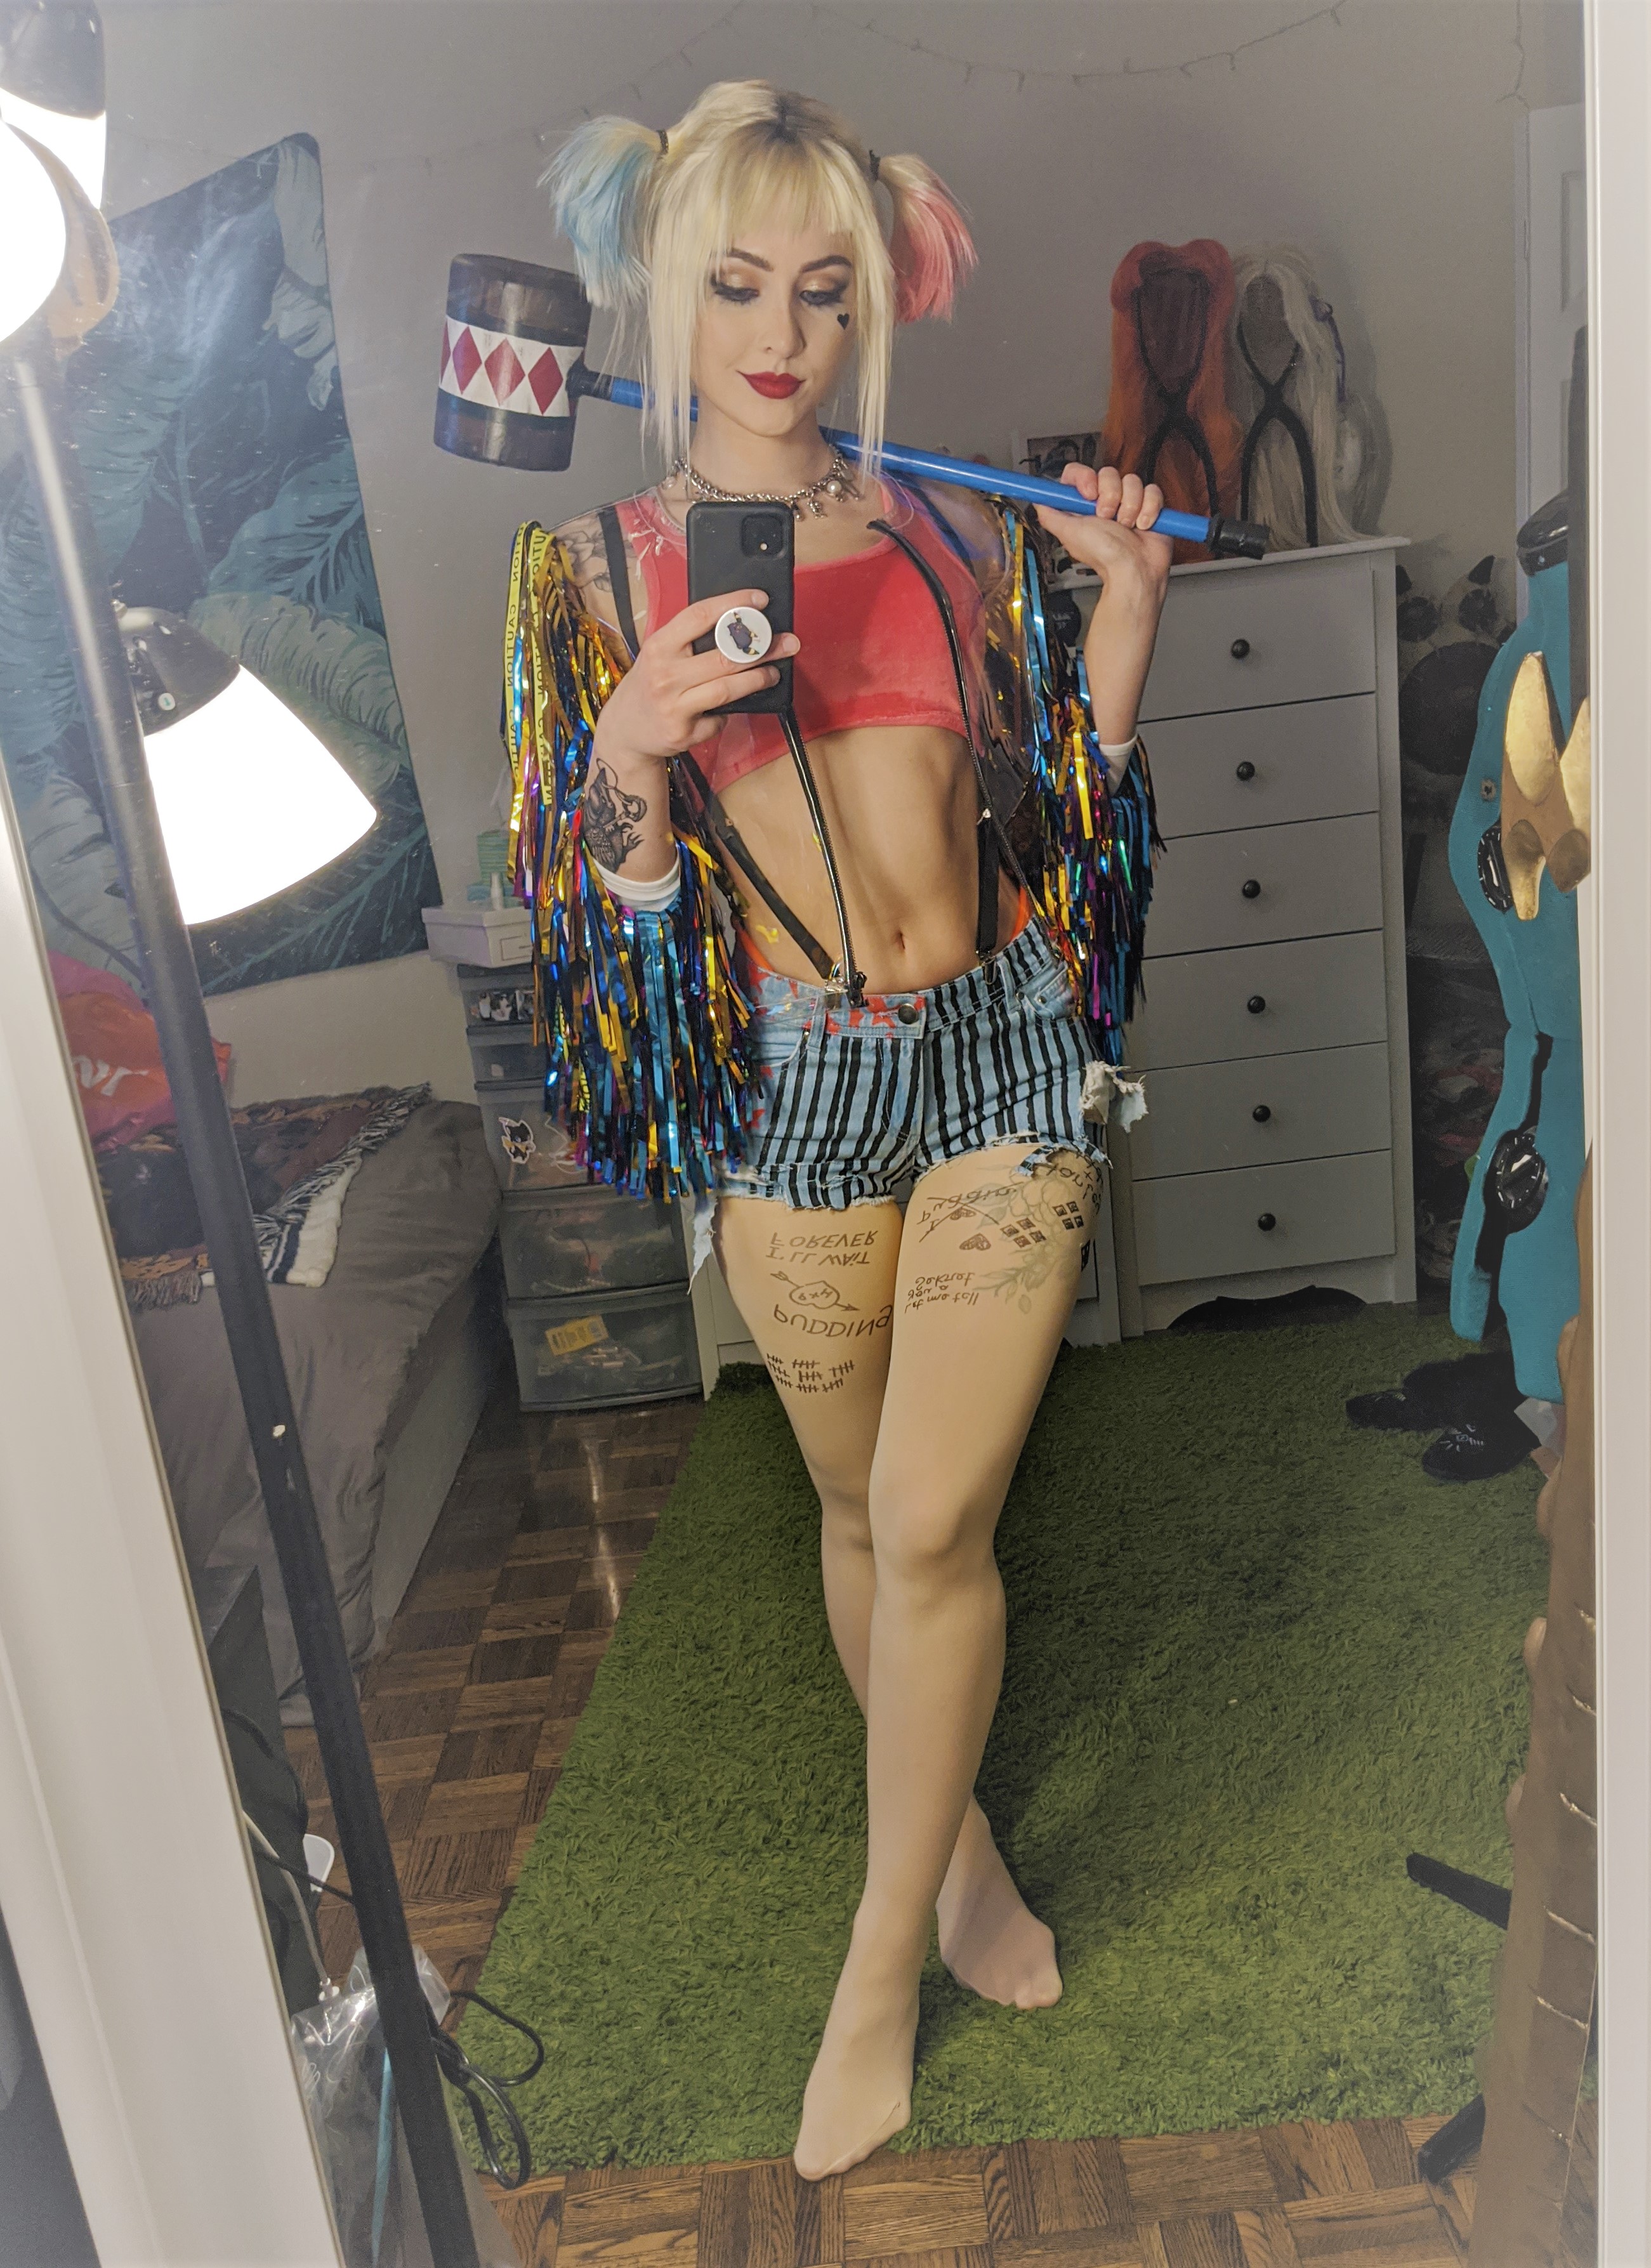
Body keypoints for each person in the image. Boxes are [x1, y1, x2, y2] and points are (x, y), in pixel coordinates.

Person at [505, 80, 1171, 2180]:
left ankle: (872, 1977)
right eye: (733, 288)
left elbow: (1056, 827)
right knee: (860, 1518)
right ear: (662, 293)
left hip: (993, 1058)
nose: (780, 336)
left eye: (820, 288)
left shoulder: (951, 530)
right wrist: (631, 748)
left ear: (872, 296)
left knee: (940, 1520)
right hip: (790, 1090)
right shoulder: (590, 572)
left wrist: (1121, 633)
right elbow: (608, 926)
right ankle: (953, 1856)